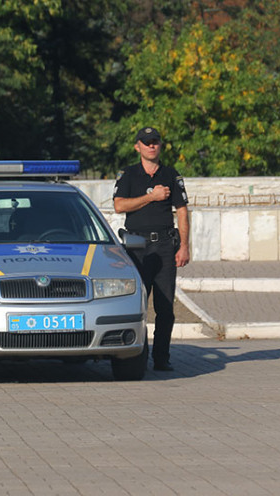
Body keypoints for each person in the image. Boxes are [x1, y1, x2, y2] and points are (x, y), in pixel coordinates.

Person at [113, 126, 190, 371]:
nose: (151, 145)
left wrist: (185, 246)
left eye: (155, 141)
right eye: (146, 142)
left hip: (166, 245)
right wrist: (151, 197)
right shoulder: (128, 175)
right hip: (136, 246)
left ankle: (161, 357)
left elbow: (182, 211)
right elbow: (119, 206)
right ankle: (137, 356)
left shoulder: (171, 174)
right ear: (138, 147)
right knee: (137, 305)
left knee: (165, 306)